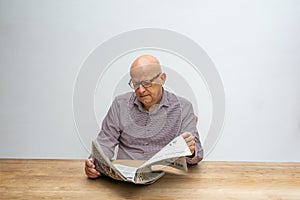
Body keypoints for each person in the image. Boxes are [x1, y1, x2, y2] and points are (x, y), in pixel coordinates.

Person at [85, 55, 203, 178]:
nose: (141, 90)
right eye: (136, 84)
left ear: (162, 79)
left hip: (165, 178)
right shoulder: (120, 104)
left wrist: (191, 151)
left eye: (147, 83)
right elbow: (105, 142)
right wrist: (93, 164)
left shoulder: (183, 107)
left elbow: (198, 155)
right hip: (125, 177)